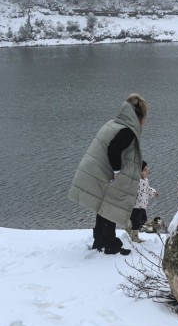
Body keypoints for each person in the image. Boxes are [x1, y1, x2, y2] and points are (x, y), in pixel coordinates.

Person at [68, 93, 148, 255]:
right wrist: (116, 171)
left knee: (103, 206)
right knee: (110, 207)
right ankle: (111, 245)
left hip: (94, 168)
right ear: (139, 117)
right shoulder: (127, 131)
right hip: (102, 171)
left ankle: (100, 240)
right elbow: (113, 149)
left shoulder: (115, 123)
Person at [126, 161, 158, 243]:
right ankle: (135, 237)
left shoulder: (145, 181)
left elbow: (147, 189)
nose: (147, 171)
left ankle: (130, 228)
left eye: (147, 169)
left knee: (144, 219)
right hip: (135, 207)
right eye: (144, 170)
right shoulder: (135, 182)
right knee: (136, 222)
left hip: (142, 205)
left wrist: (154, 192)